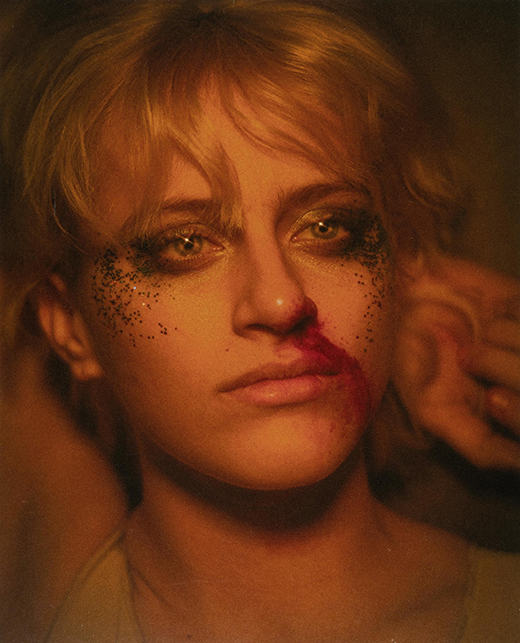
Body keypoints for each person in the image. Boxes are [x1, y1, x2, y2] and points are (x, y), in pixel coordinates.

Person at [1, 1, 519, 641]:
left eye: (328, 228)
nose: (281, 302)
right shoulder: (45, 598)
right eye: (184, 244)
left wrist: (410, 303)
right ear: (69, 327)